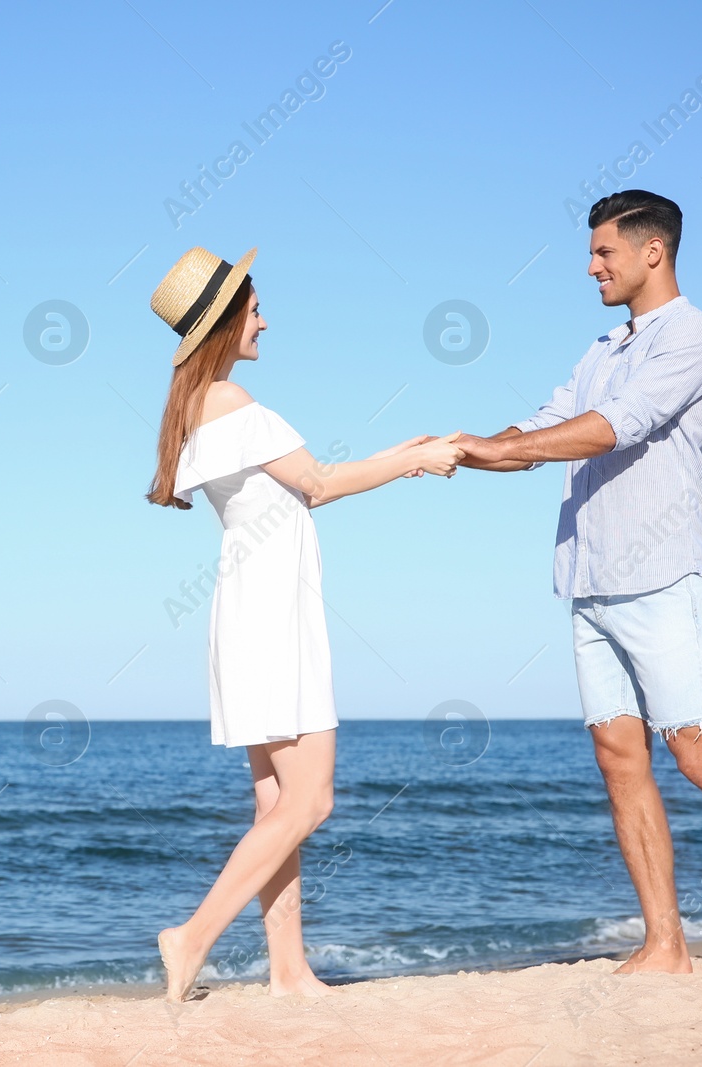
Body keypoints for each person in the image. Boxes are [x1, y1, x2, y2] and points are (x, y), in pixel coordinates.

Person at [455, 190, 702, 971]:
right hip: (588, 578)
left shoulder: (695, 336)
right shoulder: (601, 347)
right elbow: (543, 421)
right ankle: (666, 943)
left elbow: (618, 426)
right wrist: (470, 446)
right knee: (619, 760)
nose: (591, 266)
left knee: (701, 755)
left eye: (603, 252)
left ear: (653, 252)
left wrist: (503, 448)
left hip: (664, 576)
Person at [146, 246, 464, 1001]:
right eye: (254, 307)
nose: (264, 318)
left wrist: (406, 449)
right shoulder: (235, 402)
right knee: (311, 800)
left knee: (277, 804)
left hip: (251, 612)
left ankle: (288, 970)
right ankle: (191, 936)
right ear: (223, 321)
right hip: (272, 617)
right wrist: (415, 464)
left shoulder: (203, 405)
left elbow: (309, 474)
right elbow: (318, 483)